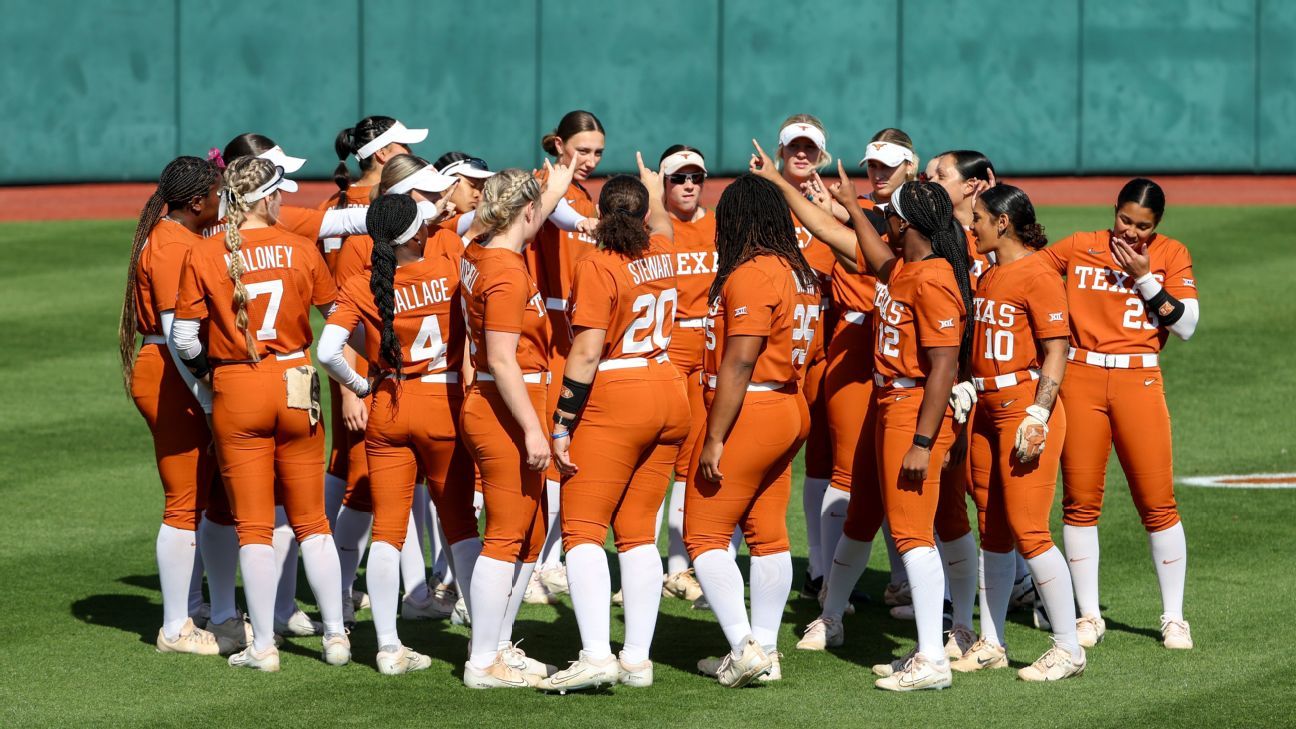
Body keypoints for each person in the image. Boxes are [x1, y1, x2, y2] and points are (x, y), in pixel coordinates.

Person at [753, 146, 971, 691]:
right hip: (888, 405)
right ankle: (833, 617)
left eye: (890, 215)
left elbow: (943, 365)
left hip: (913, 410)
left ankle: (931, 660)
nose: (884, 221)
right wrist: (846, 203)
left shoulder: (935, 278)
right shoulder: (903, 266)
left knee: (913, 535)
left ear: (910, 223)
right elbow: (868, 250)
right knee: (863, 513)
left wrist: (923, 440)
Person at [171, 157, 348, 672]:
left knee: (253, 528)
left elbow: (184, 339)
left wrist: (212, 375)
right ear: (268, 198)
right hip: (296, 382)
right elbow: (336, 317)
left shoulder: (206, 252)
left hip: (236, 385)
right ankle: (336, 636)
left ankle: (264, 645)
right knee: (313, 522)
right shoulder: (300, 247)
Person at [538, 158, 690, 692]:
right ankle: (637, 660)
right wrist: (654, 191)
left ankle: (597, 656)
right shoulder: (663, 249)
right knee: (637, 535)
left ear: (599, 215)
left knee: (581, 532)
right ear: (646, 212)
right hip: (669, 389)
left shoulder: (598, 263)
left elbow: (584, 353)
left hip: (619, 396)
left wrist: (561, 421)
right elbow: (666, 226)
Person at [317, 194, 482, 674]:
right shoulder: (452, 271)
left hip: (389, 405)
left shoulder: (361, 283)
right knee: (461, 528)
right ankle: (484, 641)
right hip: (445, 407)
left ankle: (388, 647)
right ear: (415, 234)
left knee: (387, 532)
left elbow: (328, 351)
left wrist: (361, 385)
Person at [1040, 178, 1199, 650]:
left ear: (1157, 226)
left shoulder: (1170, 254)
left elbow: (1187, 325)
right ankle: (1088, 614)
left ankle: (1174, 617)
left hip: (1138, 378)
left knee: (1157, 502)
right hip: (1081, 376)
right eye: (1125, 220)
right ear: (1115, 210)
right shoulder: (1081, 246)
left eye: (1143, 226)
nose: (1130, 232)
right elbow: (1030, 273)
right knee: (1080, 501)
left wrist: (1147, 277)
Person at [685, 174, 822, 688]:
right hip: (787, 404)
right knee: (767, 534)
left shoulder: (754, 273)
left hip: (755, 409)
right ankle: (764, 647)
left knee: (702, 532)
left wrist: (716, 436)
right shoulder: (797, 270)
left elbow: (740, 361)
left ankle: (746, 648)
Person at [951, 184, 1085, 681]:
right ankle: (993, 641)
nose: (973, 225)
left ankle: (1068, 647)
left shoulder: (1038, 273)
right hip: (986, 409)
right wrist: (968, 385)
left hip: (1022, 410)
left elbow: (1056, 350)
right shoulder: (989, 273)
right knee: (994, 528)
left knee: (1030, 530)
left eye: (980, 217)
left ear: (1003, 222)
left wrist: (1039, 413)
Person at [457, 163, 576, 688]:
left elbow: (531, 213)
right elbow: (504, 360)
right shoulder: (505, 269)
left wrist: (556, 184)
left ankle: (499, 646)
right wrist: (532, 429)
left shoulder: (480, 246)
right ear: (525, 211)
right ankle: (483, 661)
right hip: (506, 406)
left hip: (498, 398)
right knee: (505, 536)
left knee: (526, 534)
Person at [120, 155, 223, 656]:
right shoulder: (170, 245)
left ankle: (194, 607)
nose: (222, 199)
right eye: (217, 193)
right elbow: (176, 334)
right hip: (171, 374)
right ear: (196, 201)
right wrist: (205, 395)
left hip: (174, 370)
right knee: (184, 501)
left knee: (199, 497)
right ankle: (176, 626)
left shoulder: (179, 237)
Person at [320, 116, 428, 577]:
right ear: (384, 155)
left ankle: (418, 587)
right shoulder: (370, 221)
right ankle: (332, 581)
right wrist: (352, 387)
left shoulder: (341, 204)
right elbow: (340, 311)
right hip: (363, 369)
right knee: (363, 482)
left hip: (367, 364)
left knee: (358, 472)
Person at [528, 110, 606, 604]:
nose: (591, 160)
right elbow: (550, 210)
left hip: (573, 325)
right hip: (546, 328)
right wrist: (585, 222)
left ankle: (548, 558)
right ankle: (533, 562)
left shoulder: (582, 190)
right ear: (559, 144)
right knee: (549, 440)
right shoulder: (545, 182)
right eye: (582, 150)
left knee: (568, 439)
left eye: (598, 151)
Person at [771, 114, 838, 597]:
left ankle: (821, 569)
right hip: (773, 350)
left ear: (822, 152)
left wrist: (835, 210)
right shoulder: (764, 198)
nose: (802, 154)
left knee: (824, 458)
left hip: (824, 346)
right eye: (794, 146)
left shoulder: (834, 202)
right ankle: (716, 557)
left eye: (809, 148)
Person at [654, 144, 716, 606]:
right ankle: (640, 554)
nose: (689, 185)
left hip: (710, 346)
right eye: (679, 178)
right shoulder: (654, 228)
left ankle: (678, 566)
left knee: (691, 456)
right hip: (669, 344)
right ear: (663, 183)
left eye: (695, 176)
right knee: (660, 447)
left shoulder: (717, 224)